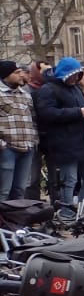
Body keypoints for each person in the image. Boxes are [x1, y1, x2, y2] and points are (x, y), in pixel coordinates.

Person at [34, 57, 84, 206]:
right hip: (64, 143)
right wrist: (78, 112)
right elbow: (46, 113)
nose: (76, 78)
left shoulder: (76, 88)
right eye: (74, 74)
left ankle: (82, 212)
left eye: (78, 75)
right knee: (69, 181)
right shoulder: (48, 89)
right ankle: (66, 214)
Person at [0, 59, 39, 201]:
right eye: (16, 72)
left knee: (20, 189)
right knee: (4, 190)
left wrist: (34, 140)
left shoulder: (25, 94)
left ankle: (15, 221)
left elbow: (33, 119)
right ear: (6, 74)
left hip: (27, 148)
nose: (21, 75)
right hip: (7, 149)